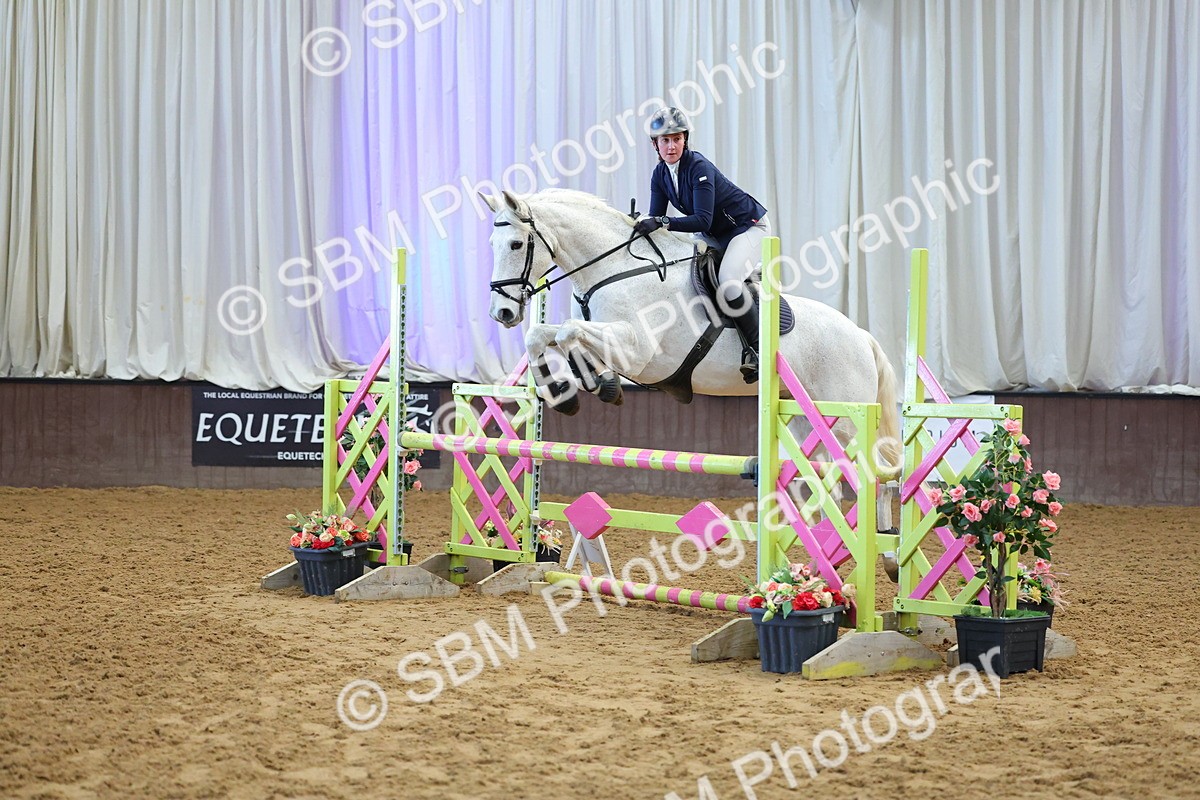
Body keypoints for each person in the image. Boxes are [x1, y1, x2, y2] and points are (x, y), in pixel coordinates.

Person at [633, 106, 769, 383]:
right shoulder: (660, 174)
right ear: (655, 145)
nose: (671, 146)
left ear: (685, 140)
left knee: (729, 280)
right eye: (665, 140)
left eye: (677, 139)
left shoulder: (699, 168)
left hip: (747, 227)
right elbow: (657, 218)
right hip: (717, 235)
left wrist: (661, 221)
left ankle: (759, 351)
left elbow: (702, 221)